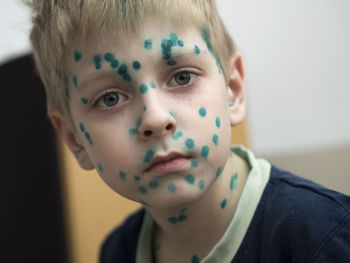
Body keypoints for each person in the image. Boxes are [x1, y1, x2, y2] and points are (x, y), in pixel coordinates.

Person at [27, 0, 350, 262]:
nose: (155, 118)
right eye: (110, 99)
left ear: (233, 90)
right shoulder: (118, 251)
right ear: (74, 139)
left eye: (182, 77)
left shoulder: (325, 238)